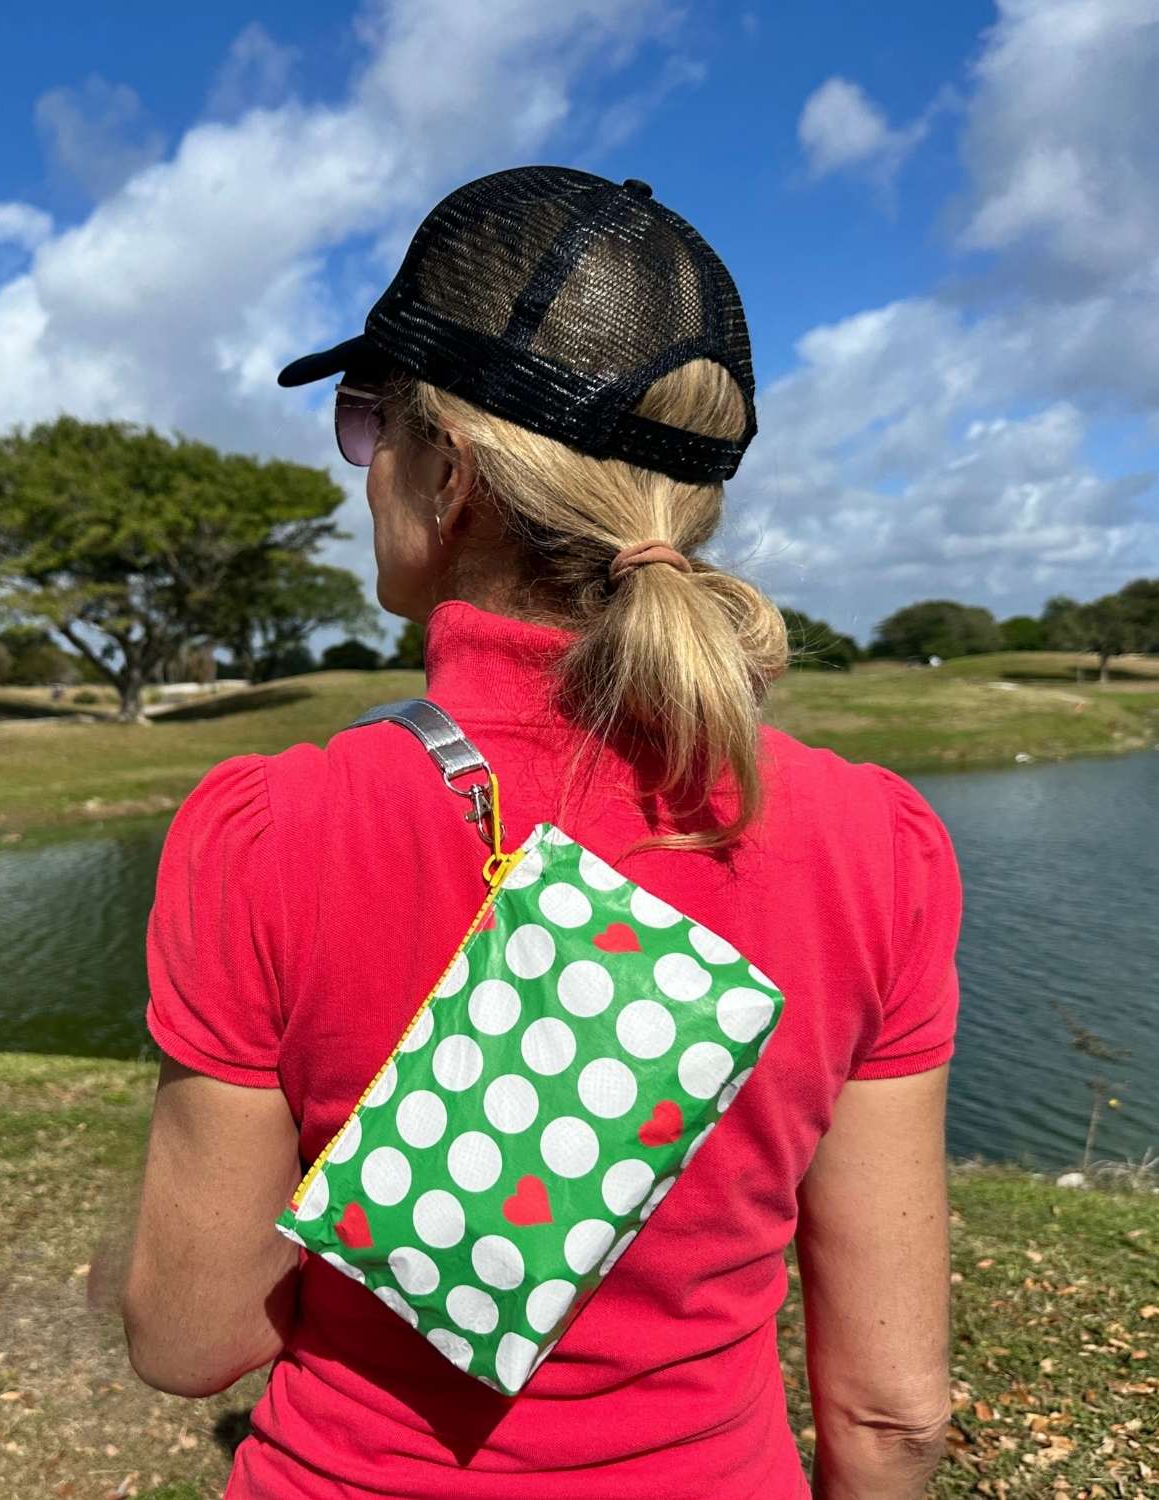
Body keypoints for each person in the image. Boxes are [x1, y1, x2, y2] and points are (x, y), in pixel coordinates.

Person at [121, 167, 961, 1499]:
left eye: (365, 423)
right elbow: (893, 1412)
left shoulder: (267, 834)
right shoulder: (881, 846)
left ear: (445, 469)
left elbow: (189, 1336)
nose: (363, 470)